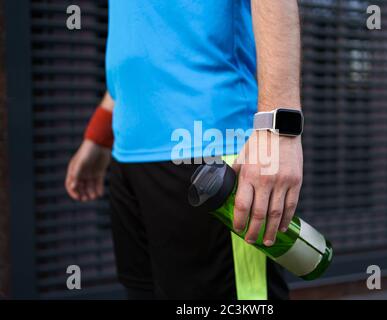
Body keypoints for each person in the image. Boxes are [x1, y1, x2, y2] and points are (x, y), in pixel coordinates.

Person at [65, 0, 303, 300]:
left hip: (213, 154)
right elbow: (143, 35)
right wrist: (100, 134)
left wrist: (278, 128)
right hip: (129, 154)